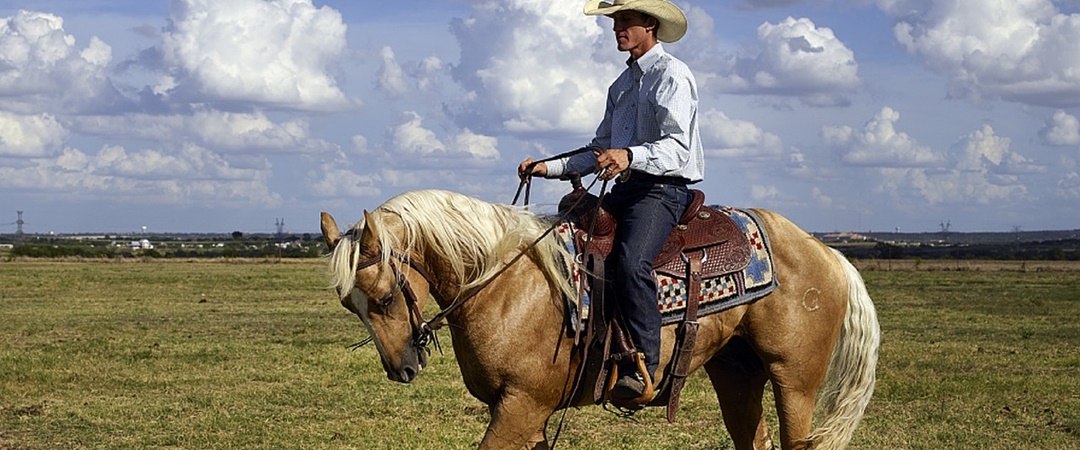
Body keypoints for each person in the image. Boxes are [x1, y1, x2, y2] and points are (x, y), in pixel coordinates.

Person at [518, 0, 703, 402]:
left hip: (662, 190)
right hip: (627, 188)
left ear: (650, 25)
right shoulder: (620, 86)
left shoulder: (673, 76)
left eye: (625, 21)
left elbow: (678, 148)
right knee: (567, 244)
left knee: (631, 261)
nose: (616, 28)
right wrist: (547, 169)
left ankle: (645, 366)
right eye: (615, 21)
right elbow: (600, 148)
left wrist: (630, 156)